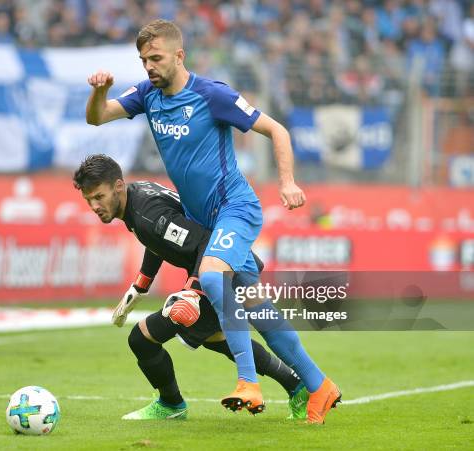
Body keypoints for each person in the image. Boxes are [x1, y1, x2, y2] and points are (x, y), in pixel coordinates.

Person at [86, 19, 340, 424]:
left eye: (156, 58)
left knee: (212, 275)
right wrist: (99, 91)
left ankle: (247, 381)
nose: (149, 66)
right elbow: (98, 118)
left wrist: (288, 182)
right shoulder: (147, 95)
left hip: (235, 208)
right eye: (143, 59)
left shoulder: (211, 94)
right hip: (205, 219)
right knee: (259, 311)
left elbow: (277, 129)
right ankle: (319, 386)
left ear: (179, 55)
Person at [73, 154, 308, 420]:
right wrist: (140, 286)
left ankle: (171, 405)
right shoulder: (136, 197)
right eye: (88, 200)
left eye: (98, 197)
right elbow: (156, 241)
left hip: (221, 271)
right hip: (231, 265)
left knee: (141, 339)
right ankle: (297, 386)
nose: (94, 205)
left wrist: (193, 291)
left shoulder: (147, 213)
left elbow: (205, 241)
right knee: (216, 339)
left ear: (117, 186)